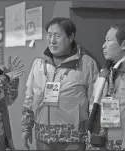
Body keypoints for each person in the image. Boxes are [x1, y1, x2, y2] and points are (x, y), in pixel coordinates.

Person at [21, 17, 99, 150]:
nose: (52, 41)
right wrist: (26, 127)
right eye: (49, 35)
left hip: (73, 139)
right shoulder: (39, 63)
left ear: (70, 37)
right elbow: (30, 97)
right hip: (43, 138)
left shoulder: (87, 64)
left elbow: (95, 102)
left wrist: (95, 136)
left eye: (57, 36)